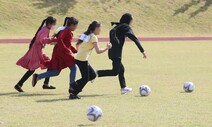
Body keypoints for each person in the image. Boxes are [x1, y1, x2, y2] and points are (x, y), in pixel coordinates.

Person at [96, 13, 147, 95]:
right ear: (128, 20)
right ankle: (95, 73)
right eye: (131, 20)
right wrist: (142, 51)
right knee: (115, 72)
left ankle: (123, 88)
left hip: (111, 52)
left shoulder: (118, 26)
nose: (132, 22)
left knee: (121, 70)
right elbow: (134, 38)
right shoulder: (125, 27)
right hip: (116, 53)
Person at [32, 17, 79, 90]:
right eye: (76, 25)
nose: (76, 27)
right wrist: (66, 50)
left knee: (56, 72)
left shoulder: (67, 31)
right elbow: (59, 39)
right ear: (72, 25)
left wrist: (75, 51)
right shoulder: (66, 31)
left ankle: (38, 77)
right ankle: (72, 87)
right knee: (74, 68)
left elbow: (67, 44)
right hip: (62, 54)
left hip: (60, 53)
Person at [69, 21, 112, 99]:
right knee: (85, 78)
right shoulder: (93, 37)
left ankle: (74, 85)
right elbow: (98, 51)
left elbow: (77, 44)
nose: (100, 30)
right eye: (100, 28)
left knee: (92, 75)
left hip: (79, 57)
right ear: (96, 28)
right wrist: (107, 48)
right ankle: (73, 93)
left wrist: (80, 52)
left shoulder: (86, 34)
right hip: (82, 59)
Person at [15, 16, 57, 92]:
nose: (54, 26)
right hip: (36, 51)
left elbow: (42, 40)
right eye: (54, 24)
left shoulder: (45, 29)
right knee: (42, 66)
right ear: (49, 24)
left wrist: (51, 40)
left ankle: (19, 84)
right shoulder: (45, 30)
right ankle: (20, 84)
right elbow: (42, 40)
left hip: (36, 50)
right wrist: (53, 39)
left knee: (42, 66)